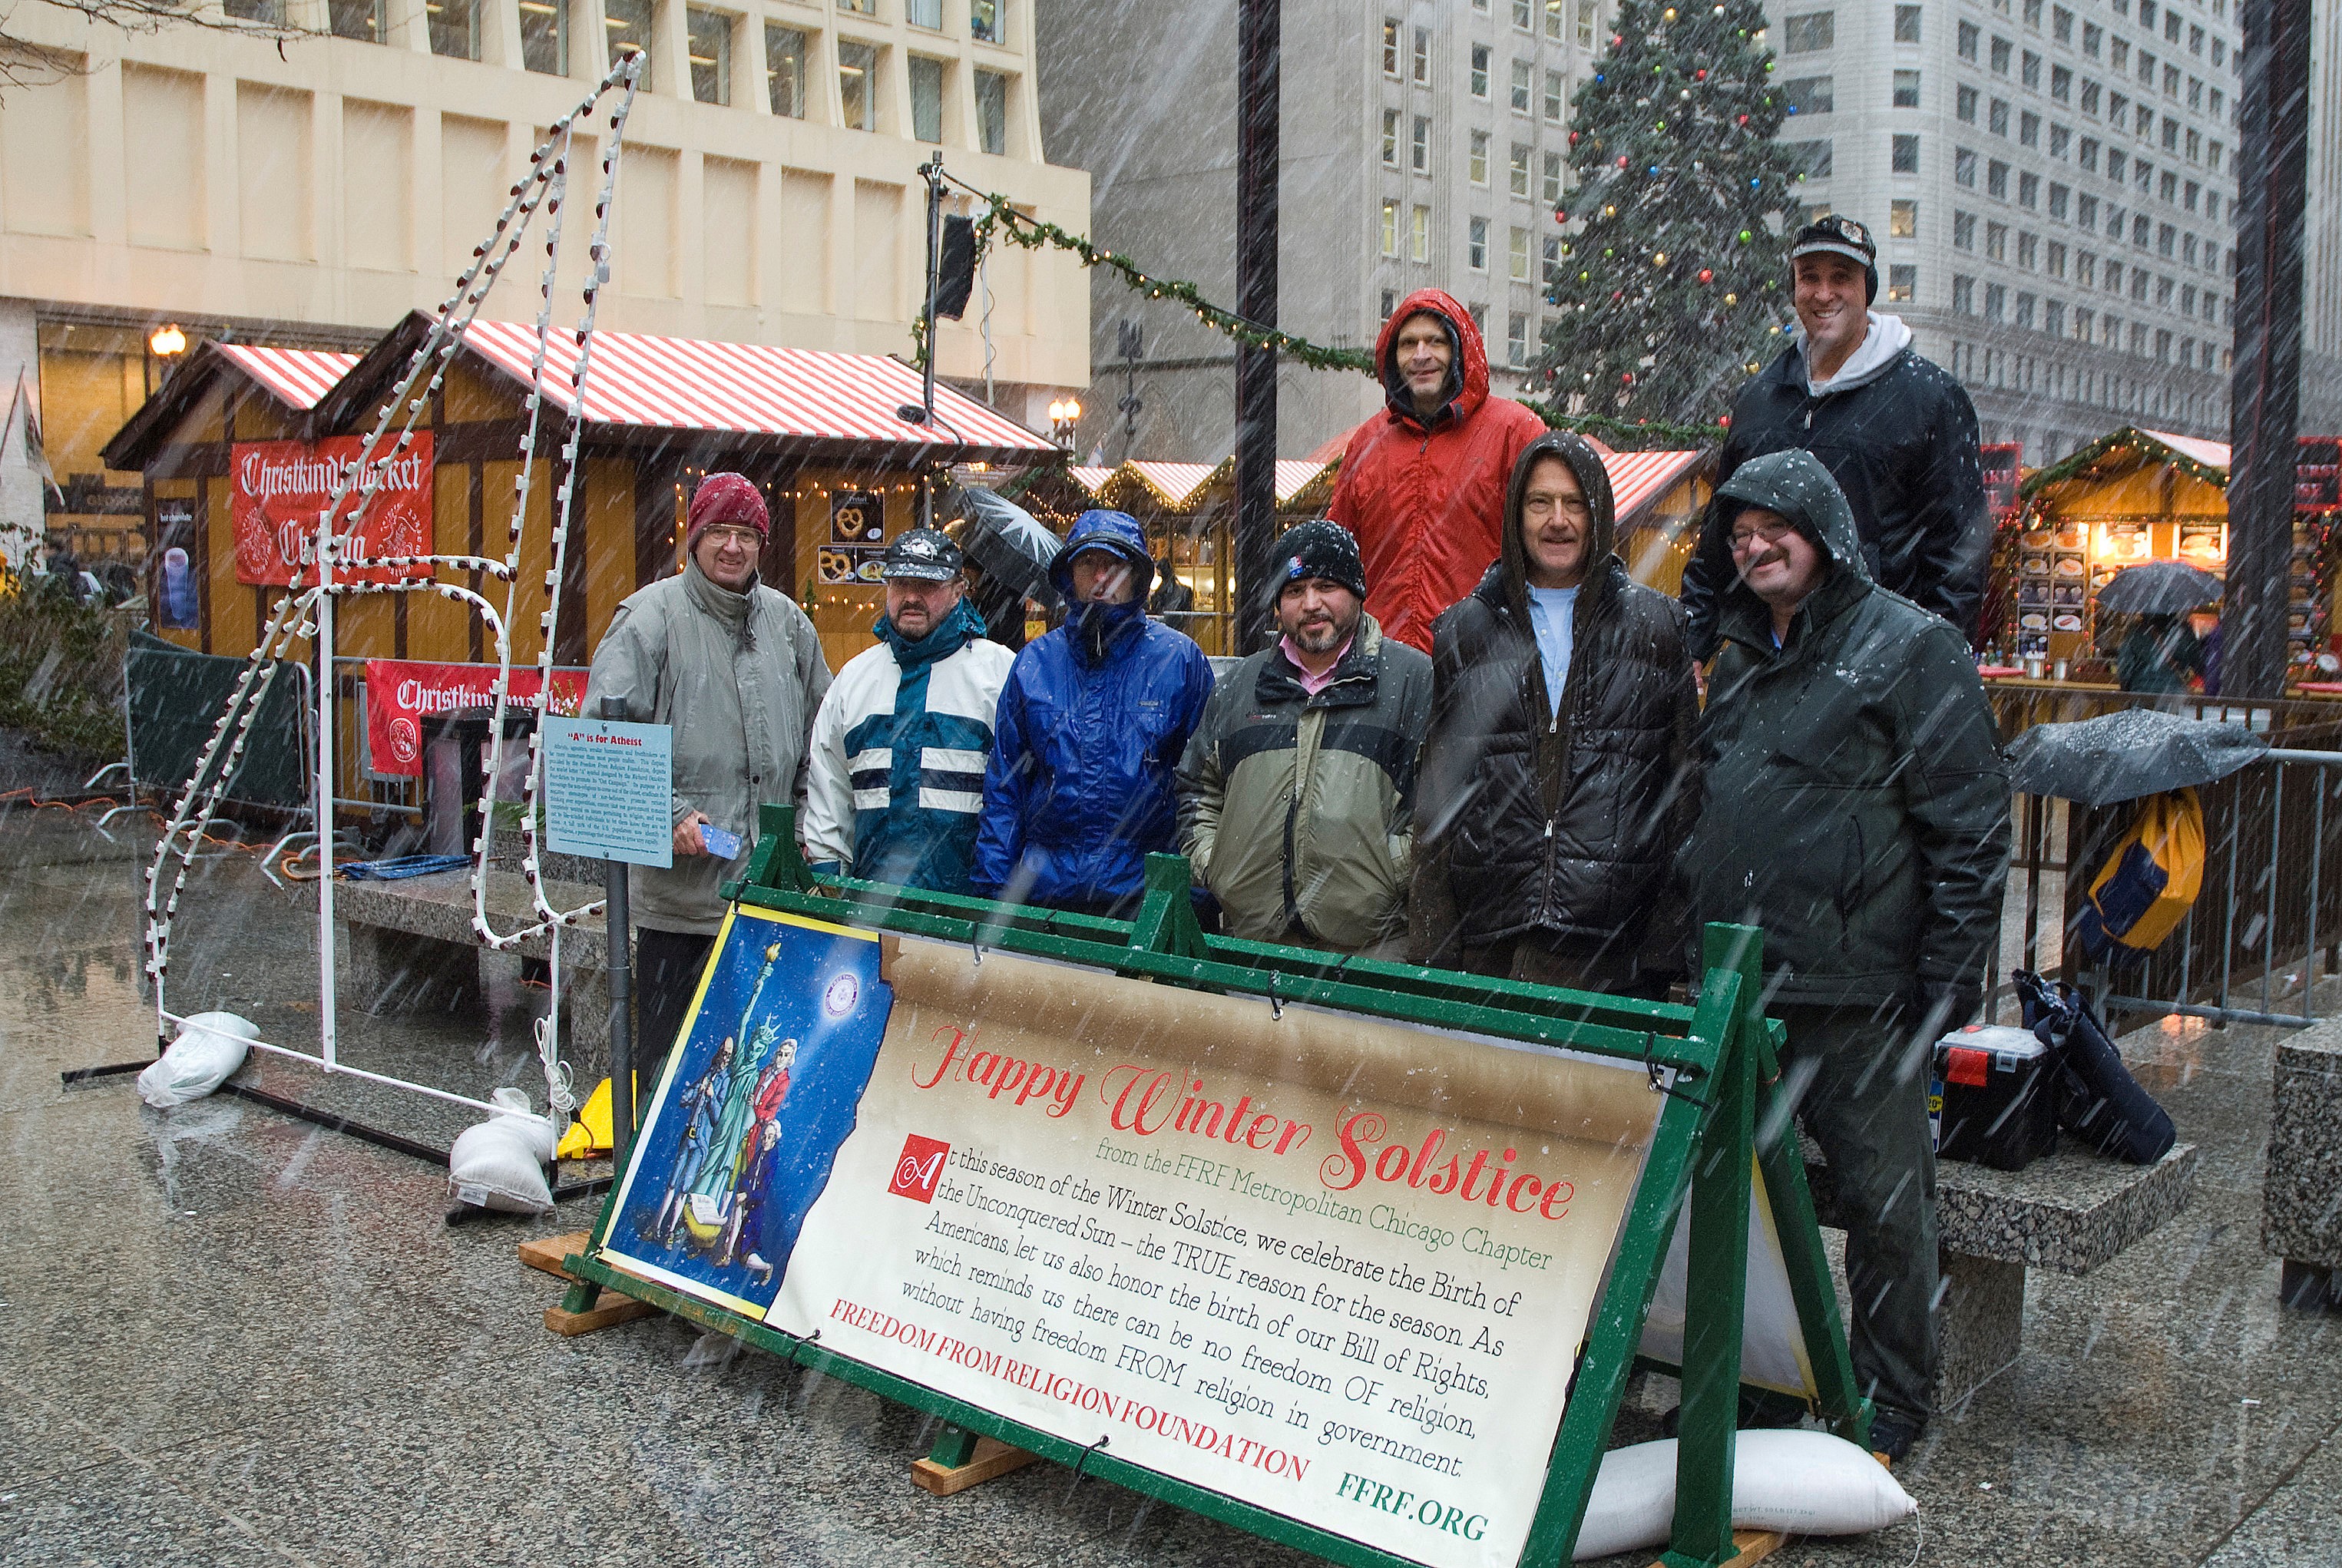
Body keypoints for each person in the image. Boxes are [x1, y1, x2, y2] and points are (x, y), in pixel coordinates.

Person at [1680, 448, 2011, 1461]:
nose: (1752, 544)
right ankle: (1771, 1380)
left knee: (1883, 1202)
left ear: (1823, 530)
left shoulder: (1911, 647)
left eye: (1772, 525)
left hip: (1858, 990)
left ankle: (1891, 1397)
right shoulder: (1737, 651)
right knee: (1743, 1204)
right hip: (1742, 982)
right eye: (1737, 532)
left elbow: (1968, 822)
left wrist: (1948, 977)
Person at [1410, 432, 1700, 996]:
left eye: (1574, 503)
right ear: (1516, 514)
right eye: (1540, 503)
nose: (1557, 521)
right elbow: (1437, 806)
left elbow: (1682, 798)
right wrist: (1432, 956)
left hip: (1614, 951)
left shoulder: (1657, 628)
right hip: (1492, 942)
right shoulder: (1464, 631)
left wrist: (1668, 953)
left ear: (1599, 514)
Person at [585, 473, 832, 1066]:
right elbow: (603, 741)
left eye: (746, 533)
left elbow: (820, 744)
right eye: (718, 531)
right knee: (672, 1066)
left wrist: (800, 833)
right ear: (693, 537)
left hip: (768, 896)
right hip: (682, 907)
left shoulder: (790, 625)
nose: (732, 547)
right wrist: (664, 814)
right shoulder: (649, 620)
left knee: (754, 1068)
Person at [1679, 214, 1990, 660]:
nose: (1823, 294)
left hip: (1876, 663)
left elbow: (1959, 553)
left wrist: (1933, 666)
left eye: (1840, 277)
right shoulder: (1760, 398)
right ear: (1794, 290)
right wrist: (1692, 646)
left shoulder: (1929, 398)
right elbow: (1719, 535)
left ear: (1868, 288)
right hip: (1767, 660)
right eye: (1809, 278)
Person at [1176, 521, 1432, 956]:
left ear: (1357, 592)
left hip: (1373, 951)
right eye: (1294, 591)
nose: (1311, 604)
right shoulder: (1239, 687)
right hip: (1253, 949)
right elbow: (1196, 789)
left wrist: (1393, 870)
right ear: (1278, 604)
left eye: (1327, 586)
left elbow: (1442, 804)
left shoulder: (1412, 681)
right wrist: (1217, 864)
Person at [974, 509, 1215, 917]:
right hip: (1044, 898)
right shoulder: (1035, 664)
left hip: (1148, 899)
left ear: (1137, 576)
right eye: (1088, 564)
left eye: (1114, 565)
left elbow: (1202, 789)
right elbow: (1006, 790)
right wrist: (994, 894)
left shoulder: (1178, 662)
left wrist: (1195, 896)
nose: (1101, 579)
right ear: (1070, 575)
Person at [1324, 289, 1549, 654]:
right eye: (1408, 343)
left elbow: (1547, 550)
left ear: (1460, 351)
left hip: (1483, 662)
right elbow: (1337, 557)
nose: (1421, 355)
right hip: (1382, 664)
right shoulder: (1367, 443)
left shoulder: (1514, 432)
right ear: (1392, 356)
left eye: (1436, 342)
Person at [800, 528, 1014, 895]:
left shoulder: (1000, 675)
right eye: (901, 584)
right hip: (868, 916)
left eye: (927, 585)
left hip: (970, 920)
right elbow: (829, 799)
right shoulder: (854, 681)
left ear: (959, 591)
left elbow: (1021, 797)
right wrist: (829, 892)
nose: (912, 597)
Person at [2115, 611, 2207, 694]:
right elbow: (2198, 662)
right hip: (2173, 692)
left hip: (2141, 691)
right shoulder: (2183, 630)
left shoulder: (2135, 631)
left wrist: (2126, 688)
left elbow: (2125, 667)